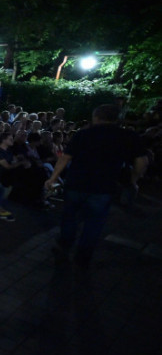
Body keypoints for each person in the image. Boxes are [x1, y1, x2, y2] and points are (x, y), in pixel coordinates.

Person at [45, 104, 149, 267]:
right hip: (103, 187)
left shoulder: (84, 134)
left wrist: (53, 178)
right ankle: (83, 255)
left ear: (96, 117)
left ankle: (64, 245)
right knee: (94, 222)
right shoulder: (128, 136)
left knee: (70, 217)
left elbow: (65, 157)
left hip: (76, 183)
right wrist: (133, 180)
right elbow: (142, 161)